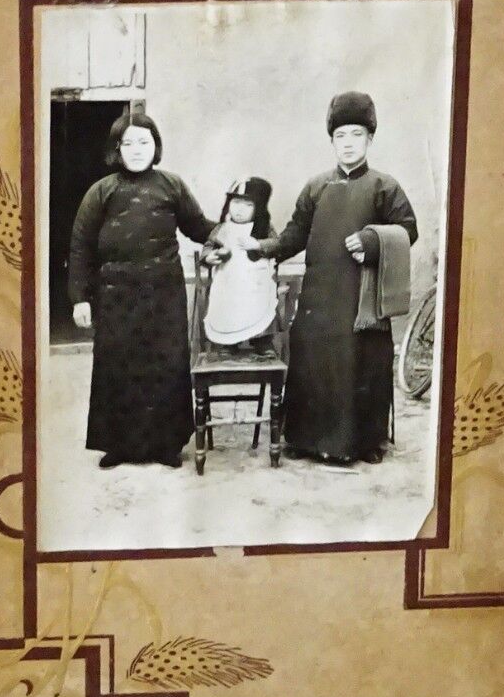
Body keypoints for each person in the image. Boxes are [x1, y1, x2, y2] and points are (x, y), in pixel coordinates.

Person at [248, 92, 416, 464]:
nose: (349, 143)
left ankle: (365, 443)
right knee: (313, 359)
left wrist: (372, 242)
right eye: (341, 136)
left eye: (357, 134)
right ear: (332, 141)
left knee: (362, 363)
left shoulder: (384, 187)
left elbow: (407, 230)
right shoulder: (316, 186)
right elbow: (294, 235)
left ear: (370, 139)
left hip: (362, 299)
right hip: (320, 296)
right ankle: (306, 440)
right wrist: (261, 248)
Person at [68, 111, 223, 468]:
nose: (137, 150)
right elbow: (80, 248)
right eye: (129, 143)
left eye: (144, 142)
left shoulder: (172, 186)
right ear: (117, 149)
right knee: (118, 366)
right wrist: (80, 299)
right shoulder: (101, 192)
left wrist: (232, 233)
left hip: (163, 293)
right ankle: (119, 446)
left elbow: (199, 227)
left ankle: (166, 445)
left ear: (156, 146)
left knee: (164, 366)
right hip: (115, 295)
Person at [201, 177, 278, 354]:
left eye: (247, 205)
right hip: (229, 281)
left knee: (259, 306)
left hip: (255, 282)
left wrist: (259, 245)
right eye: (236, 203)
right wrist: (209, 256)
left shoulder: (264, 228)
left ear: (258, 208)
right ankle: (228, 344)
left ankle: (262, 341)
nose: (240, 209)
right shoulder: (222, 228)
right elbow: (208, 247)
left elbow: (277, 244)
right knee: (228, 308)